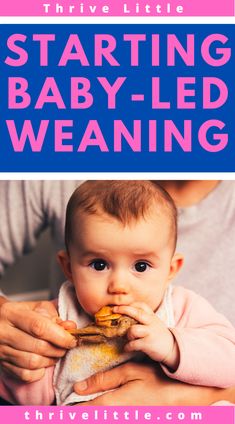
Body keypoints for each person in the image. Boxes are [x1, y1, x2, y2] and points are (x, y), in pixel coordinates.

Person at [0, 180, 235, 405]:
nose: (119, 286)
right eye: (99, 265)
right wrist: (29, 363)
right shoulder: (60, 316)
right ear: (69, 268)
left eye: (141, 266)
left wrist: (172, 346)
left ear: (171, 269)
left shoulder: (182, 308)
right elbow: (33, 397)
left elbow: (229, 364)